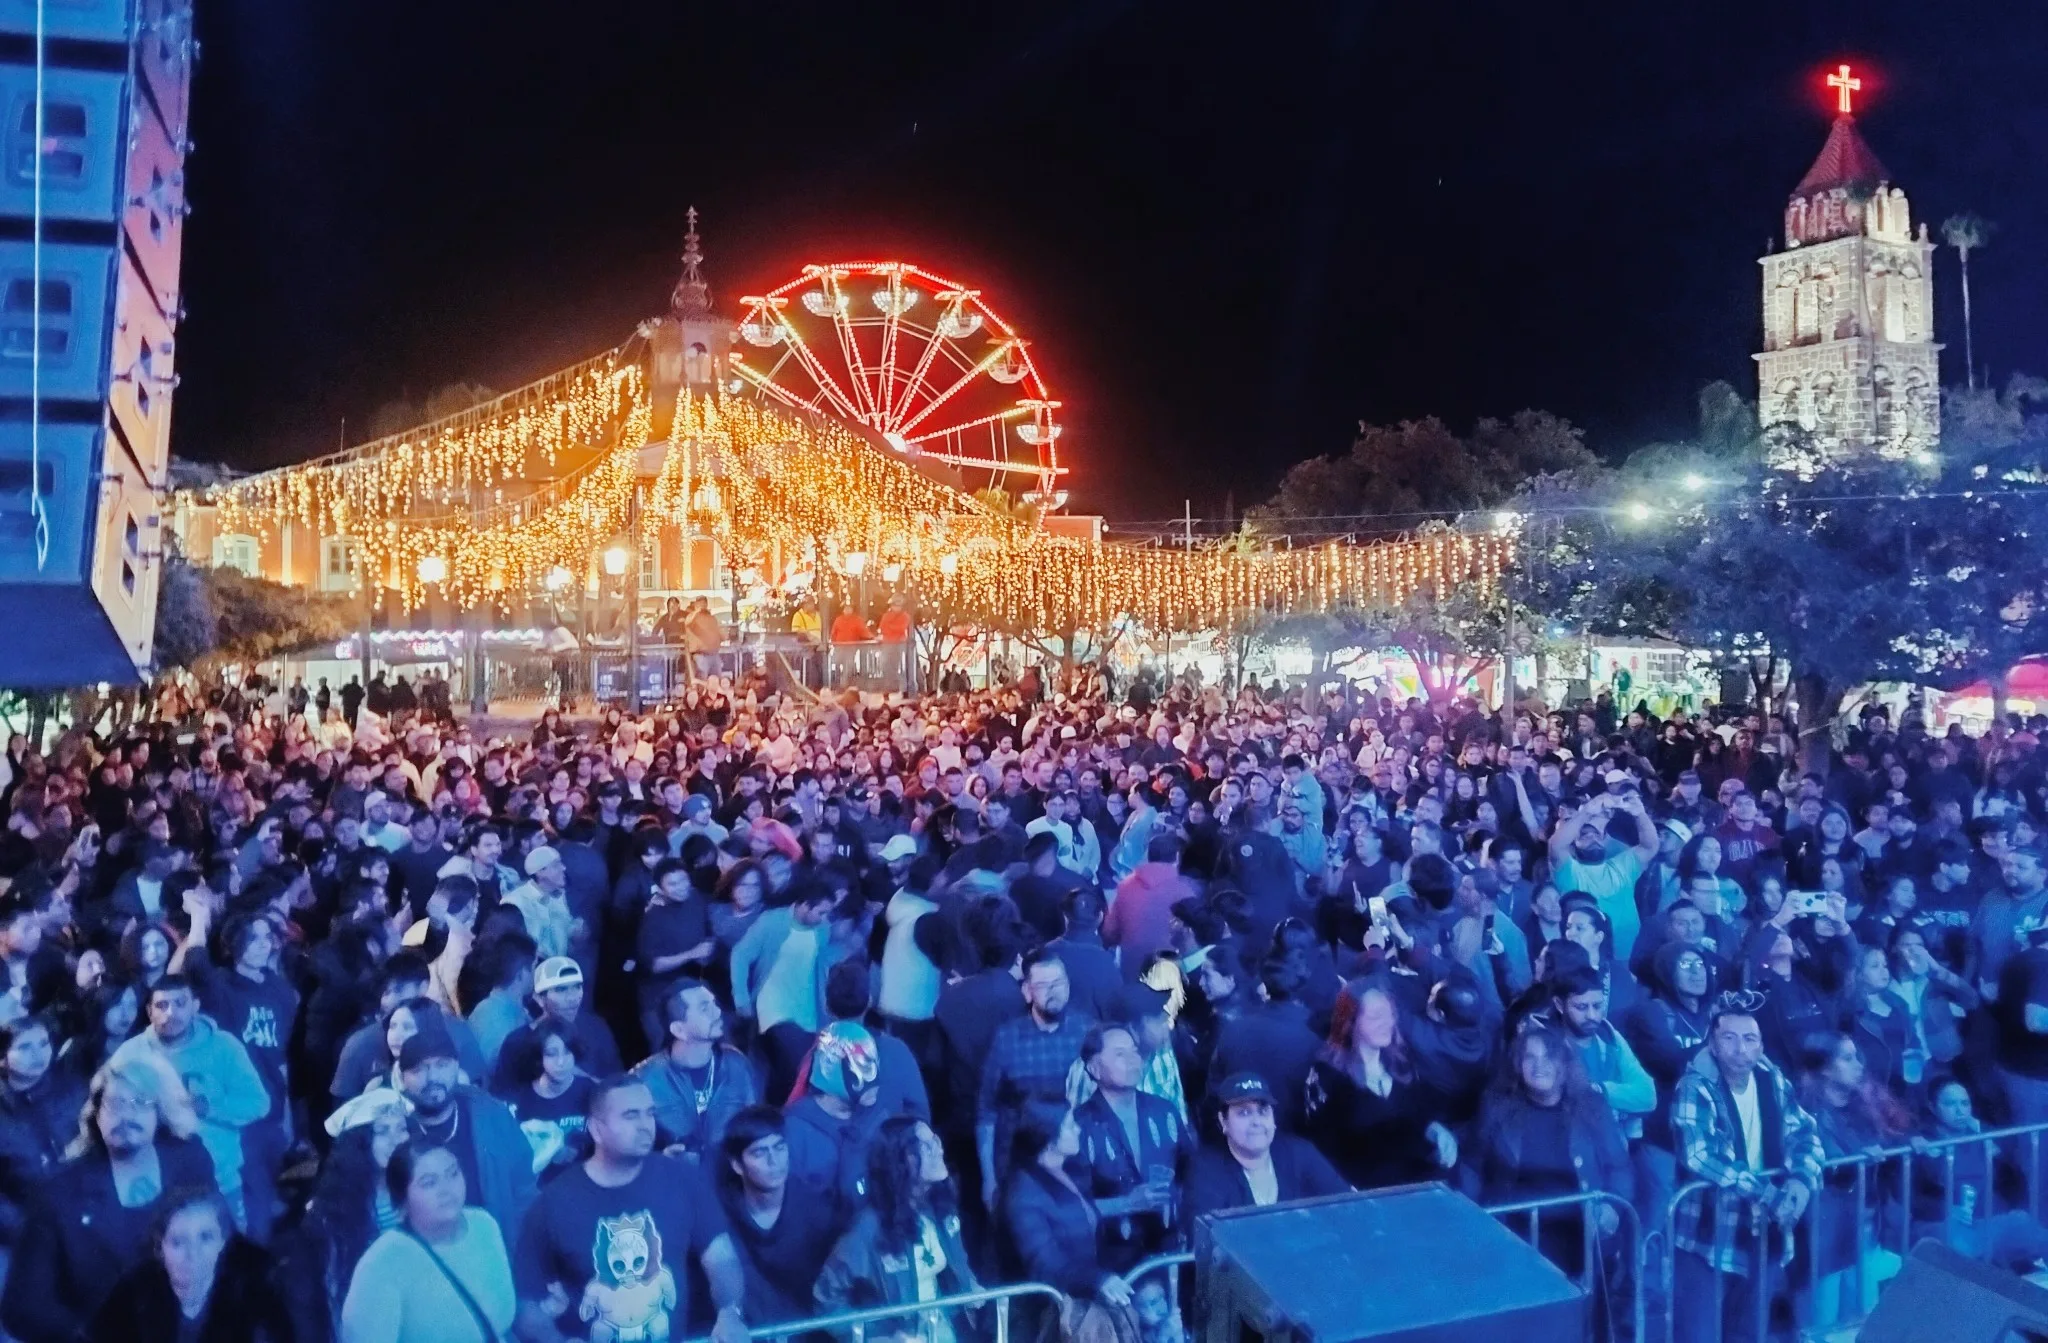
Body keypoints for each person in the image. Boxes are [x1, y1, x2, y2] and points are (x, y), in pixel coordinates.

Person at [512, 1075, 750, 1343]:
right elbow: (525, 1303)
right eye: (630, 1116)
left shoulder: (683, 1180)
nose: (645, 1126)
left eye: (649, 1114)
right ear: (596, 1130)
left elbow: (722, 1259)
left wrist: (730, 1312)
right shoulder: (553, 1203)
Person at [1, 1054, 218, 1343]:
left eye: (140, 1103)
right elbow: (24, 1306)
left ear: (160, 1113)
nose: (126, 1117)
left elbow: (226, 1247)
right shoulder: (58, 1193)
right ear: (96, 1115)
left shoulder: (191, 1161)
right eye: (114, 1105)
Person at [1669, 990, 1824, 1343]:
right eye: (1729, 1038)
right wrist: (1765, 1191)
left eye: (1749, 1039)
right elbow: (1698, 1154)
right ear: (1713, 1042)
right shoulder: (1695, 1084)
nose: (1740, 1049)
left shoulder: (1772, 1078)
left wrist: (1800, 1180)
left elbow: (1804, 1131)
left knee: (1749, 1335)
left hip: (1763, 1231)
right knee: (1697, 1335)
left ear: (1761, 1045)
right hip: (1706, 1236)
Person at [1472, 1024, 1632, 1283]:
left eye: (1549, 1057)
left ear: (1565, 1064)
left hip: (1580, 1233)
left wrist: (1613, 1207)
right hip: (1514, 1235)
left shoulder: (1591, 1106)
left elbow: (1618, 1165)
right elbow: (1473, 1165)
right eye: (1529, 1057)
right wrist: (1474, 1218)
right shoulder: (1496, 1106)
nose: (1539, 1065)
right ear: (1517, 1064)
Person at [107, 974, 270, 1228]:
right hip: (155, 1183)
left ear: (195, 1005)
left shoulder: (224, 1047)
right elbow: (108, 1111)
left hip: (220, 1180)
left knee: (228, 1258)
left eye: (180, 1003)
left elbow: (258, 1103)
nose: (170, 1013)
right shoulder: (130, 1055)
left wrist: (209, 1108)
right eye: (161, 1006)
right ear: (149, 1011)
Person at [814, 1116, 979, 1342]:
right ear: (898, 1161)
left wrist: (969, 1287)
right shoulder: (868, 1229)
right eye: (924, 1146)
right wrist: (878, 1336)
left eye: (936, 1141)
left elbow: (959, 1262)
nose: (937, 1150)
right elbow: (826, 1301)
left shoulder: (943, 1209)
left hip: (943, 1331)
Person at [340, 1142, 518, 1343]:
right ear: (402, 1199)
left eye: (453, 1173)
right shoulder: (381, 1263)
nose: (446, 1189)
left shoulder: (484, 1224)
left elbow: (502, 1323)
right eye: (429, 1183)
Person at [1302, 979, 1458, 1190]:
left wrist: (1435, 1129)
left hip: (1411, 1190)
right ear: (1350, 1021)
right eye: (1376, 1017)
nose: (1388, 1023)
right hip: (1361, 1196)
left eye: (1390, 1014)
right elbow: (1320, 1148)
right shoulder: (1326, 1075)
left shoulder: (1401, 1061)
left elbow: (1417, 1115)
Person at [395, 1021, 538, 1246]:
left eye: (442, 1064)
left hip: (493, 1248)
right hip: (424, 1258)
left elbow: (524, 1187)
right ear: (402, 1079)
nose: (432, 1077)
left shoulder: (491, 1114)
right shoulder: (392, 1129)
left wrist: (520, 1248)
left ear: (457, 1068)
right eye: (419, 1069)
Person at [86, 1186, 288, 1343]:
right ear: (160, 1248)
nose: (193, 1254)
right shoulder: (134, 1292)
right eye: (178, 1242)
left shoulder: (253, 1294)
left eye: (206, 1238)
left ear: (222, 1243)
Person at [999, 1100, 1137, 1328]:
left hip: (1083, 1303)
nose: (1078, 1129)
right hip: (1047, 1317)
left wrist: (1118, 1228)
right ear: (1048, 1137)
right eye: (1070, 1126)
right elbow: (1044, 1263)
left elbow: (1083, 1220)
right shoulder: (1022, 1195)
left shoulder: (1069, 1168)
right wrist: (1097, 1279)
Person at [1070, 1021, 1193, 1270]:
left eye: (1134, 1051)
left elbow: (1190, 1171)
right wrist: (1126, 1203)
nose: (1133, 1060)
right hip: (1109, 1258)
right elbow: (1068, 1207)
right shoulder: (1077, 1127)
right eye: (1119, 1054)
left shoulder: (1163, 1111)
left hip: (1167, 1249)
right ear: (1094, 1068)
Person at [978, 949, 1093, 1207]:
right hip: (1018, 1170)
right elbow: (986, 1112)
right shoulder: (1006, 1039)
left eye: (1059, 983)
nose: (1053, 991)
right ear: (1027, 991)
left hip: (1076, 1166)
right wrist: (988, 1179)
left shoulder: (1088, 1031)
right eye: (1043, 985)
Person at [716, 1106, 844, 1326]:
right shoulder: (720, 1216)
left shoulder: (818, 1211)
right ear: (737, 1165)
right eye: (760, 1152)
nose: (774, 1161)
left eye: (779, 1147)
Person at [631, 975, 759, 1162]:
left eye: (714, 1003)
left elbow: (755, 1123)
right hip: (675, 1181)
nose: (717, 1012)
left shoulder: (736, 1064)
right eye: (704, 1008)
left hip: (730, 1176)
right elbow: (629, 1144)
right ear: (679, 1030)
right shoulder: (645, 1079)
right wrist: (659, 1160)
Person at [1183, 1073, 1348, 1217]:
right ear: (1223, 1121)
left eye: (1263, 1111)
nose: (1256, 1122)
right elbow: (1206, 1239)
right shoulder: (1206, 1169)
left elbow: (1347, 1203)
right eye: (1244, 1113)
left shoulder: (1299, 1152)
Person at [0, 1013, 86, 1247]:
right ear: (3, 1059)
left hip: (83, 1207)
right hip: (24, 1224)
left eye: (43, 1043)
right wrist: (25, 1227)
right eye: (25, 1047)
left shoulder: (73, 1089)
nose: (38, 1054)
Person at [493, 957, 622, 1093]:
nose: (572, 997)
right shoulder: (517, 1042)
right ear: (539, 998)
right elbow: (502, 1098)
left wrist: (583, 1079)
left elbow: (619, 1085)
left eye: (577, 987)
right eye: (561, 990)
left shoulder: (596, 1028)